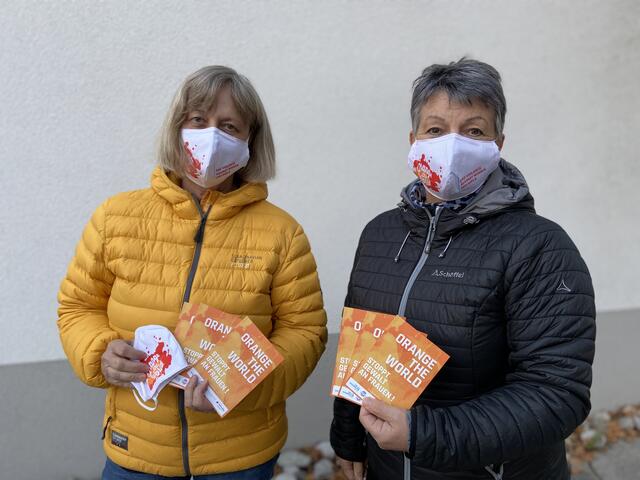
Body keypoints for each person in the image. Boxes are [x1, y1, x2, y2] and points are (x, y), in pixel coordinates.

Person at [330, 58, 596, 480]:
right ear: (413, 139)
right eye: (435, 129)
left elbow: (556, 393)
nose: (452, 144)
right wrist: (347, 438)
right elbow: (358, 349)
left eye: (474, 130)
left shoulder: (539, 246)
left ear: (498, 143)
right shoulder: (380, 234)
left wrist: (424, 434)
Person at [57, 65, 328, 479]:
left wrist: (244, 380)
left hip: (240, 456)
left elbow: (306, 332)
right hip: (136, 450)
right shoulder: (116, 217)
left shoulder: (282, 233)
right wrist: (98, 352)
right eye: (198, 120)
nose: (211, 136)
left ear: (250, 141)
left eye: (229, 125)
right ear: (176, 129)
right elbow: (77, 306)